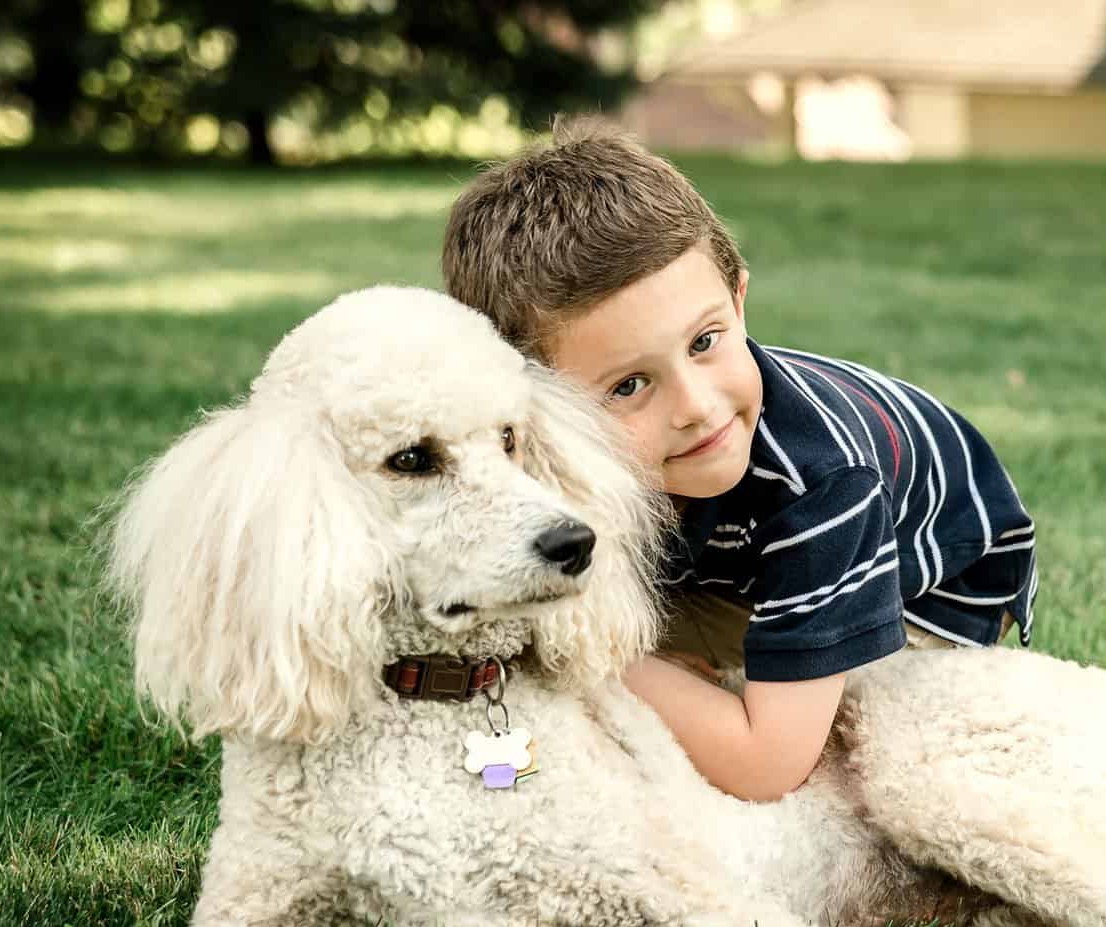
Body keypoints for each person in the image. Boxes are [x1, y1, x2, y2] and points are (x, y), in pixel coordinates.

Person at [442, 122, 1038, 803]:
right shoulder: (528, 449)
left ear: (739, 301)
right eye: (629, 385)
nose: (698, 407)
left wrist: (604, 660)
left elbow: (767, 766)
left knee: (772, 741)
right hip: (723, 562)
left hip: (929, 589)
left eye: (705, 342)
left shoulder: (824, 483)